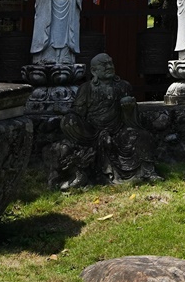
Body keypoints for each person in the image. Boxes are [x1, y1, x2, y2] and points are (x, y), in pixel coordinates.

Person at [51, 53, 158, 190]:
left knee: (142, 136)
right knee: (69, 121)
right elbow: (78, 112)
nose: (109, 66)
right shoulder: (86, 88)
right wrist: (69, 117)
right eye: (104, 64)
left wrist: (129, 110)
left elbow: (131, 120)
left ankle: (147, 171)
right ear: (94, 71)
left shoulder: (123, 86)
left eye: (110, 63)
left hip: (118, 130)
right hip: (92, 132)